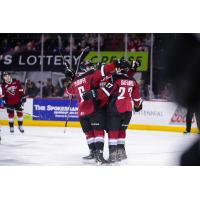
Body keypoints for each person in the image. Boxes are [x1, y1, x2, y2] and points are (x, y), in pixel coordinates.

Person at [83, 59, 142, 163]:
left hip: (116, 108)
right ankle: (121, 153)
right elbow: (137, 99)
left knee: (113, 132)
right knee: (122, 131)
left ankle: (113, 155)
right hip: (128, 110)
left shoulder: (115, 78)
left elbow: (105, 92)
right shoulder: (133, 80)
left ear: (119, 68)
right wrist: (137, 106)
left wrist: (92, 94)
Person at [64, 61, 117, 165]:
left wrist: (71, 79)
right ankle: (99, 156)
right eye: (90, 66)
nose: (92, 67)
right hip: (93, 109)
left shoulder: (75, 81)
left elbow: (68, 92)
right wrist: (115, 63)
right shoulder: (91, 76)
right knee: (98, 132)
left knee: (89, 134)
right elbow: (106, 70)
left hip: (81, 112)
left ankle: (92, 152)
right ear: (85, 69)